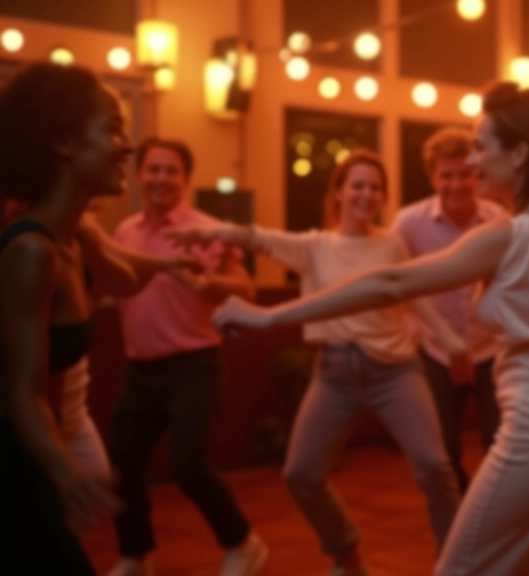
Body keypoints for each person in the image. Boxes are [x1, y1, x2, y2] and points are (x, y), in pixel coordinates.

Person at [207, 82, 529, 576]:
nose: (474, 161)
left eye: (482, 146)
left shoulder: (505, 236)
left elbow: (393, 282)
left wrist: (270, 316)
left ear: (521, 153)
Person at [168, 149, 465, 576]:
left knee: (436, 468)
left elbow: (411, 292)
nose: (367, 194)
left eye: (375, 187)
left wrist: (452, 340)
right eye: (358, 185)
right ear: (339, 192)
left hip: (395, 372)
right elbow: (259, 237)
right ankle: (345, 551)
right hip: (335, 375)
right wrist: (206, 233)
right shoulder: (315, 247)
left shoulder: (392, 243)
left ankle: (456, 563)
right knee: (300, 474)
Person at [106, 138, 267, 576]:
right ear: (139, 177)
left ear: (186, 179)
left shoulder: (206, 230)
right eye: (152, 170)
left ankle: (242, 543)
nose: (161, 178)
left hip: (193, 364)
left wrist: (208, 284)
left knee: (188, 465)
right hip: (140, 367)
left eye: (170, 170)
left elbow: (246, 289)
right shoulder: (125, 232)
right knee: (121, 466)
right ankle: (135, 556)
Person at [0, 62, 127, 576]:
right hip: (15, 465)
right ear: (64, 142)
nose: (128, 145)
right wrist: (66, 472)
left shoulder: (70, 244)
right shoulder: (31, 249)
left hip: (33, 460)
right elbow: (21, 392)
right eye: (113, 128)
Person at [391, 127, 505, 494]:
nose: (457, 184)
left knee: (501, 445)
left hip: (492, 349)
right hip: (435, 352)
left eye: (465, 174)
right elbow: (398, 283)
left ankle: (492, 518)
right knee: (440, 452)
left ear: (478, 174)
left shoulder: (500, 220)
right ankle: (463, 521)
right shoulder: (409, 223)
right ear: (432, 178)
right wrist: (420, 330)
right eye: (447, 175)